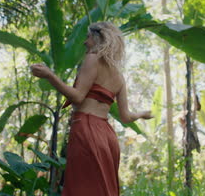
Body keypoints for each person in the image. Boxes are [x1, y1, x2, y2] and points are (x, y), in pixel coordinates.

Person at [30, 21, 153, 196]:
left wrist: (50, 76)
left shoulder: (92, 58)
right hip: (107, 135)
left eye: (88, 37)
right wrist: (142, 114)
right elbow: (125, 117)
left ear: (97, 38)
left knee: (83, 189)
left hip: (86, 130)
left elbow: (78, 96)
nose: (85, 42)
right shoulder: (119, 76)